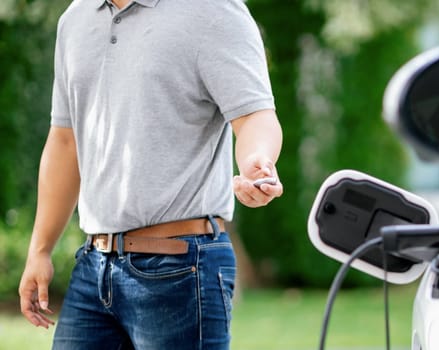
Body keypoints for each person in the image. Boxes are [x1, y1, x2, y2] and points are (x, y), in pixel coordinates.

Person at [17, 0, 283, 348]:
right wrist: (39, 251)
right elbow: (66, 141)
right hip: (93, 266)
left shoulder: (213, 10)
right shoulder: (75, 19)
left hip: (181, 269)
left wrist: (257, 161)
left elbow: (254, 115)